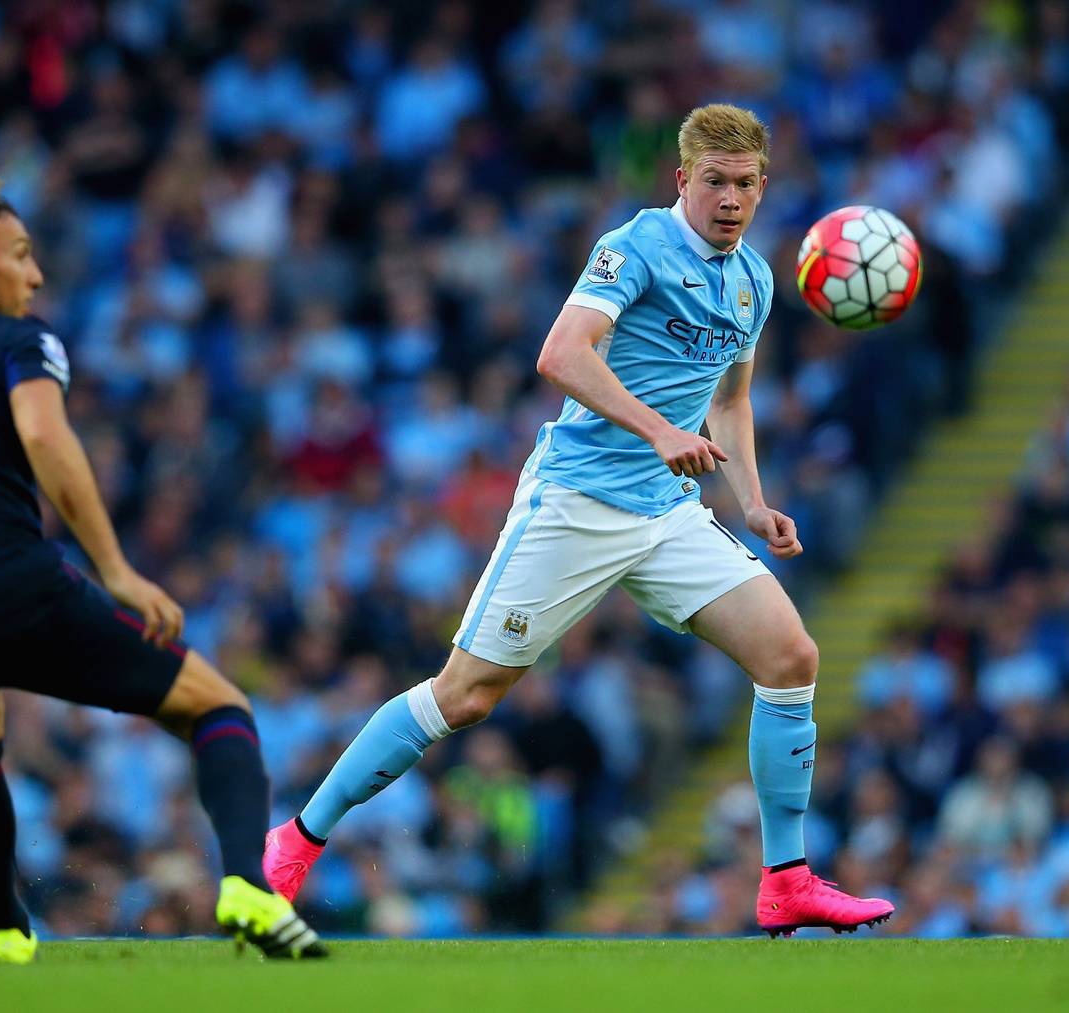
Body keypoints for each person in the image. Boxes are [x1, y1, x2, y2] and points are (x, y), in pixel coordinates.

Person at [264, 105, 894, 937]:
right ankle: (295, 842)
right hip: (575, 501)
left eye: (745, 184)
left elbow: (732, 402)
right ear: (683, 180)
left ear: (763, 186)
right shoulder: (634, 246)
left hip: (666, 512)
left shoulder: (756, 280)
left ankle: (786, 877)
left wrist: (751, 501)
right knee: (467, 695)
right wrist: (663, 430)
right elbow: (561, 353)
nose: (730, 199)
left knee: (790, 654)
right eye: (714, 182)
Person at [0, 181, 325, 962]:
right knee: (216, 703)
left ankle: (4, 933)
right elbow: (46, 437)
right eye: (19, 254)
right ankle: (247, 887)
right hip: (4, 580)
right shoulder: (15, 339)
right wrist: (116, 567)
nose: (37, 275)